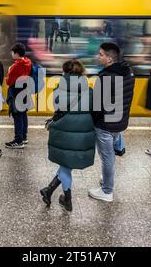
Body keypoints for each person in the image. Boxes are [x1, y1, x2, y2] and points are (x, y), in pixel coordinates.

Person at [40, 59, 95, 211]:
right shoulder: (89, 90)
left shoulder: (59, 90)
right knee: (67, 165)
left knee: (65, 166)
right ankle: (54, 193)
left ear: (64, 72)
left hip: (64, 132)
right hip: (83, 133)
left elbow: (57, 108)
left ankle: (62, 197)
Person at [88, 43, 135, 202]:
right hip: (120, 121)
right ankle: (106, 179)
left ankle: (107, 191)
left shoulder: (106, 77)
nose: (98, 56)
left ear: (109, 58)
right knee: (109, 156)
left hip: (106, 124)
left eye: (101, 54)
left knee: (107, 157)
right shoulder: (128, 72)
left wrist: (94, 122)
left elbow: (97, 106)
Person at [5, 43, 33, 149]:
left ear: (16, 53)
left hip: (16, 93)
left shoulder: (16, 66)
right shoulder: (28, 62)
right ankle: (24, 137)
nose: (12, 54)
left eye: (13, 52)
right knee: (23, 114)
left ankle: (18, 140)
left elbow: (8, 81)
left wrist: (9, 72)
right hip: (25, 91)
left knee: (17, 116)